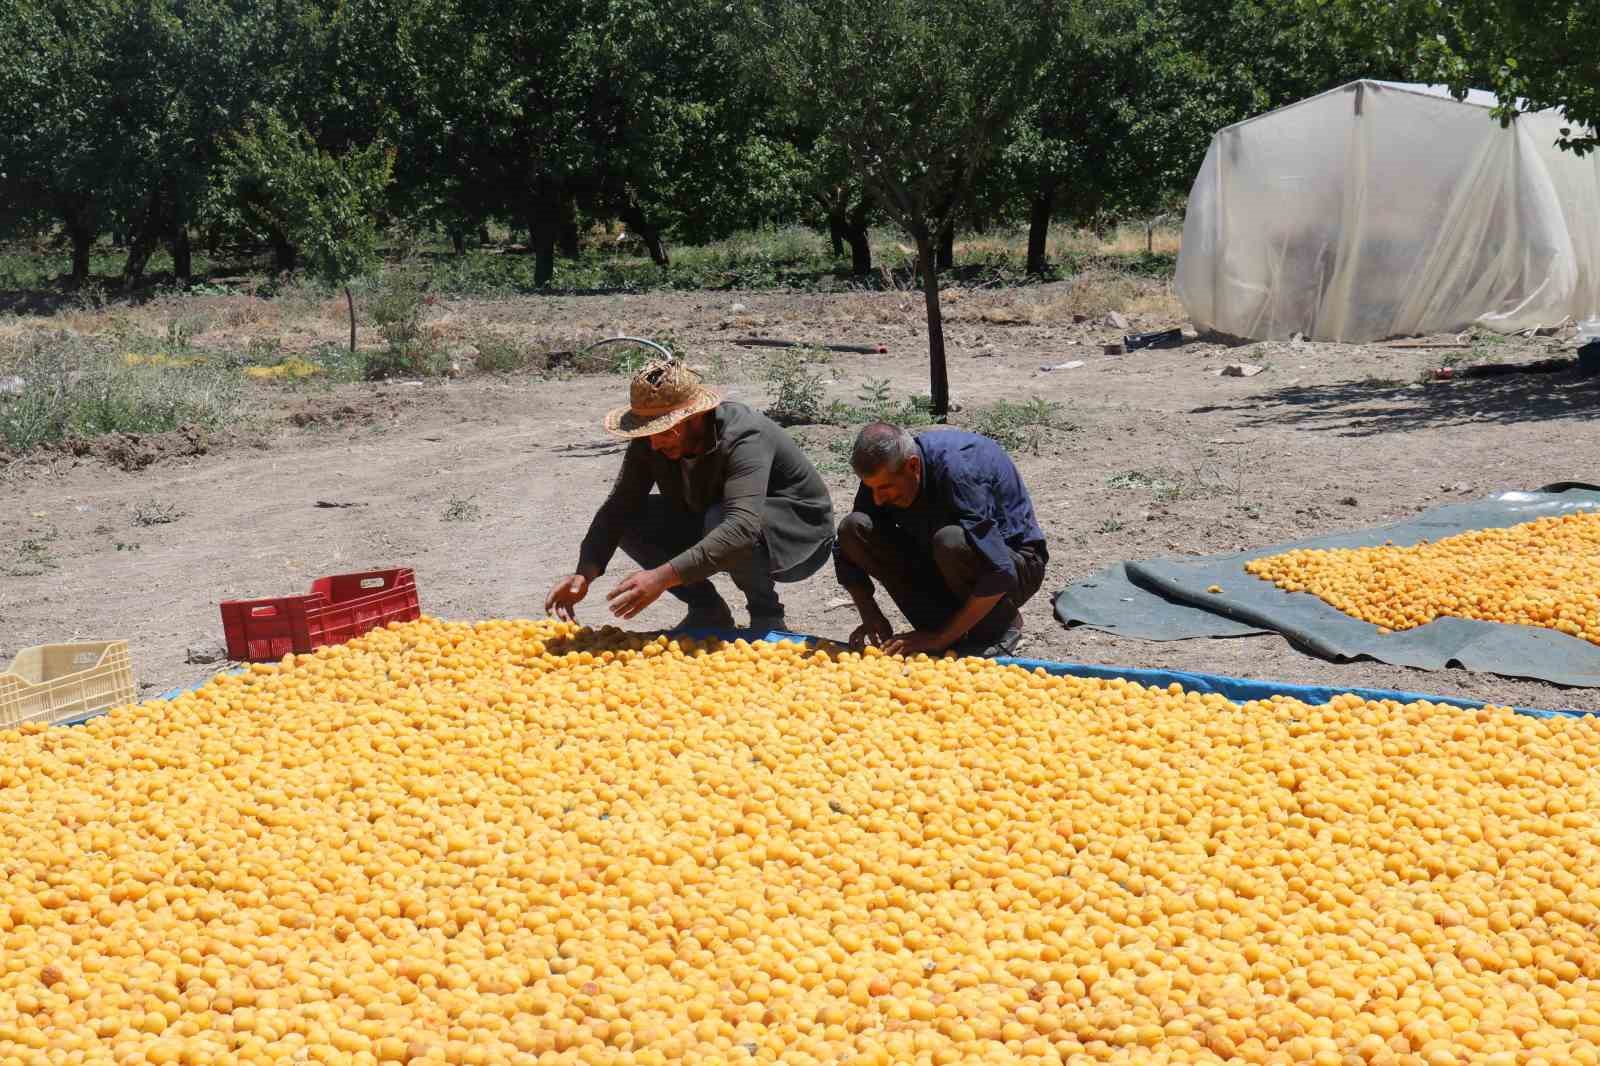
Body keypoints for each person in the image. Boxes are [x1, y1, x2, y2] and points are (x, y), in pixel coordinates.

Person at [545, 359, 834, 631]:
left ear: (696, 417)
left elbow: (741, 528)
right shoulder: (652, 441)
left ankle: (766, 616)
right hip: (716, 522)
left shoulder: (745, 436)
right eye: (649, 432)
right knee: (632, 518)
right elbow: (618, 508)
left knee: (722, 519)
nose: (654, 444)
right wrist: (584, 573)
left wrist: (661, 578)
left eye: (664, 431)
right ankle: (707, 609)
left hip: (799, 539)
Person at [834, 422, 1047, 657]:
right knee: (853, 527)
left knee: (949, 540)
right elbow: (847, 545)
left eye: (885, 487)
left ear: (913, 466)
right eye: (871, 488)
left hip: (1015, 566)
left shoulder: (959, 470)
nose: (878, 499)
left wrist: (940, 639)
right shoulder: (885, 472)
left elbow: (1001, 570)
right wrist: (869, 612)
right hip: (945, 561)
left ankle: (1002, 624)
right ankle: (947, 628)